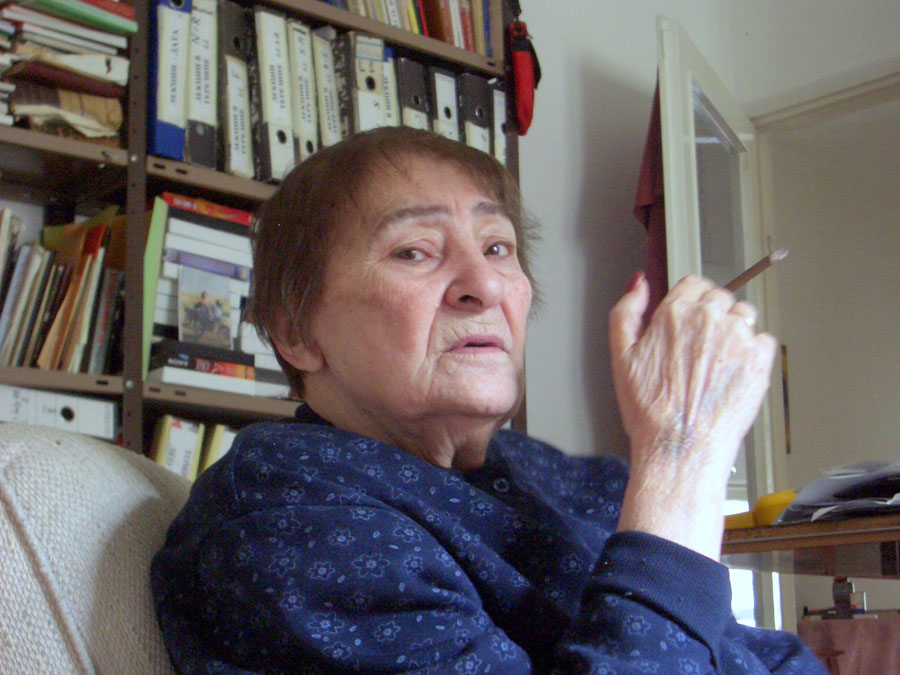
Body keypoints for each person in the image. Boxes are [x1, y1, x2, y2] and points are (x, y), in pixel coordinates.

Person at [151, 127, 825, 673]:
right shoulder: (286, 518)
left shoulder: (567, 476)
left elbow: (749, 652)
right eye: (415, 252)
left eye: (498, 247)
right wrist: (681, 462)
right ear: (295, 332)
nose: (486, 284)